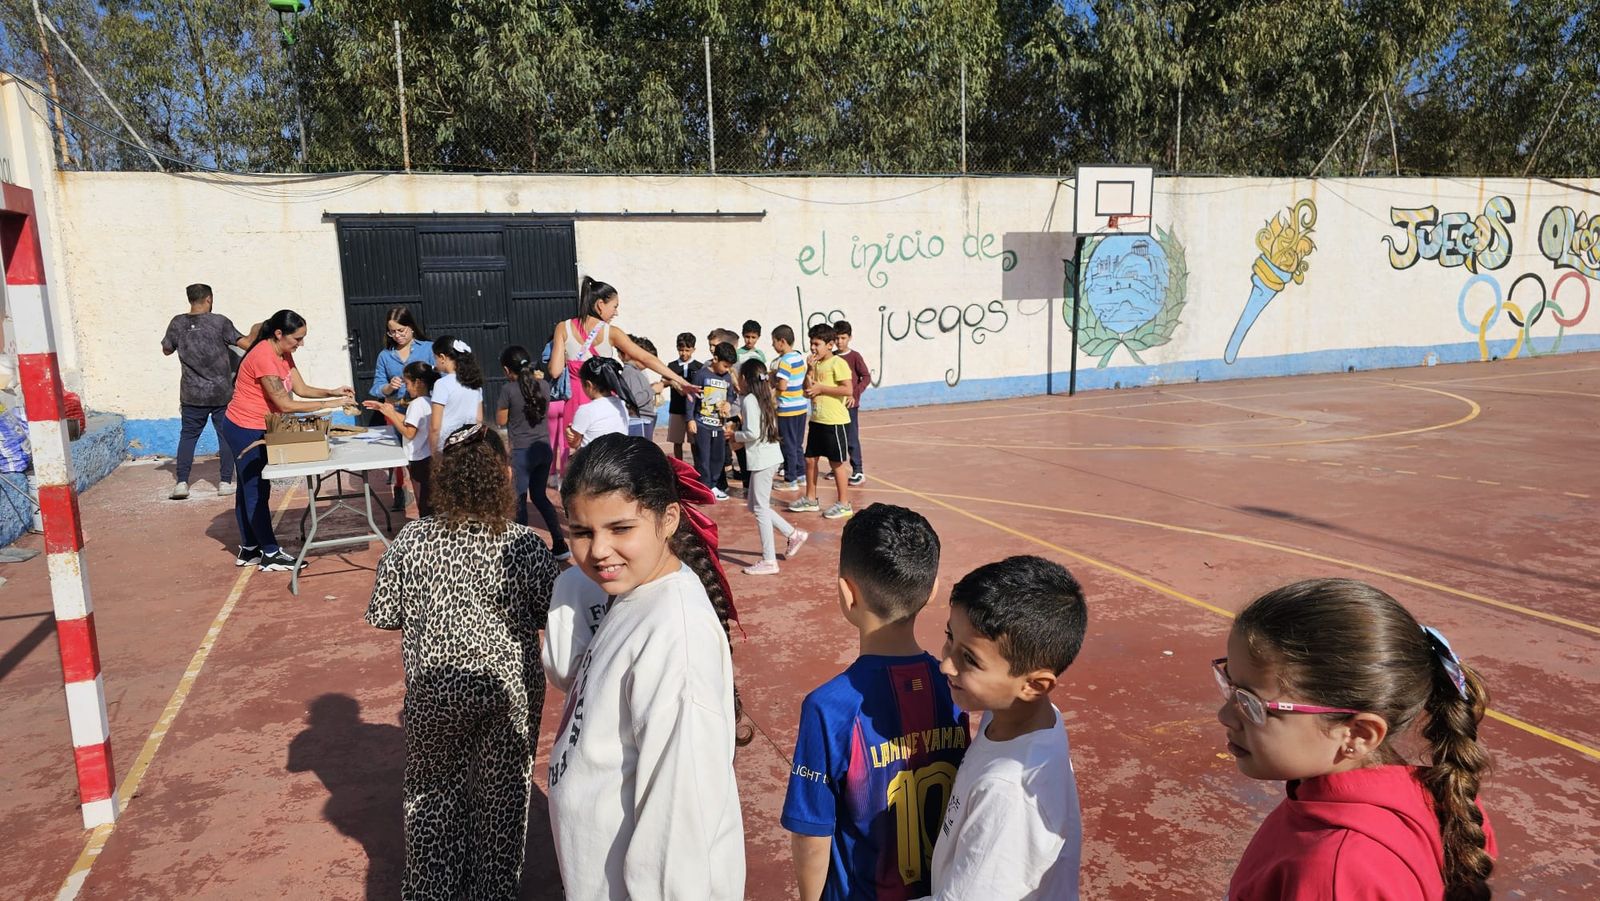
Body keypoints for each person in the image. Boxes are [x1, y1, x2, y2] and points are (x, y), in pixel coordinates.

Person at [547, 434, 746, 900]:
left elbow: (679, 819)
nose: (598, 551)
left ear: (668, 519)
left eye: (620, 529)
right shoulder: (632, 595)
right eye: (582, 532)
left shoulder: (676, 635)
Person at [366, 424, 561, 900]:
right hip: (508, 690)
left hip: (435, 691)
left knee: (433, 797)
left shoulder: (410, 540)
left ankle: (434, 889)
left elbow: (384, 614)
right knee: (502, 798)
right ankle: (494, 891)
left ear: (444, 477)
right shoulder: (525, 545)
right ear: (502, 475)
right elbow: (548, 615)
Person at [1218, 579, 1497, 901]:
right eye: (1230, 686)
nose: (1225, 715)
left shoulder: (1334, 872)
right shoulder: (1441, 797)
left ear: (1357, 734)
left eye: (1252, 703)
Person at [782, 504, 964, 900]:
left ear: (847, 594)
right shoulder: (956, 686)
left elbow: (812, 833)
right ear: (931, 592)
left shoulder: (828, 707)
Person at [921, 554, 1087, 900]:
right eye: (950, 636)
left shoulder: (1007, 792)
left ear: (1034, 686)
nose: (945, 664)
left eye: (969, 659)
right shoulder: (1023, 714)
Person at [220, 309, 354, 572]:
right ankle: (269, 552)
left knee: (251, 487)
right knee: (254, 489)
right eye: (297, 339)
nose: (300, 344)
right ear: (279, 334)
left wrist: (332, 390)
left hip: (261, 425)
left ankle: (249, 548)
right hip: (245, 427)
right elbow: (284, 402)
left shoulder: (283, 352)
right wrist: (332, 404)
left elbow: (300, 390)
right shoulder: (263, 357)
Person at [546, 277, 697, 474]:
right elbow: (645, 357)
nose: (616, 312)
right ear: (600, 305)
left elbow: (555, 371)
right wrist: (679, 379)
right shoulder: (611, 332)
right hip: (606, 403)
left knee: (576, 459)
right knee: (610, 456)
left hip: (574, 402)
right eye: (614, 306)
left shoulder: (563, 328)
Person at [160, 283, 258, 500]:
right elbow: (247, 344)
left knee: (188, 436)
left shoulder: (178, 323)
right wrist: (257, 328)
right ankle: (224, 482)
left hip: (191, 393)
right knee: (225, 436)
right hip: (221, 392)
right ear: (209, 299)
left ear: (190, 299)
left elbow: (167, 350)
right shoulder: (220, 322)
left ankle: (182, 483)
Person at [731, 358, 806, 575]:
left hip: (764, 461)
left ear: (745, 379)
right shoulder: (763, 397)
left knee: (760, 509)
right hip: (768, 458)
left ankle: (769, 560)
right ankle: (793, 534)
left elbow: (752, 433)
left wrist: (733, 434)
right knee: (755, 505)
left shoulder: (750, 400)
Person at [497, 346, 570, 560]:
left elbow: (501, 420)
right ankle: (560, 544)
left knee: (519, 499)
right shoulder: (544, 385)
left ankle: (523, 551)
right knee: (540, 497)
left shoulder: (508, 390)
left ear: (506, 369)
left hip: (522, 452)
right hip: (542, 450)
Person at [367, 306, 435, 511]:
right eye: (392, 332)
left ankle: (428, 501)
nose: (397, 336)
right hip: (397, 411)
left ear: (412, 328)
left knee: (426, 456)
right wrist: (388, 388)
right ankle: (401, 488)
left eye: (401, 330)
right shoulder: (385, 356)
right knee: (404, 454)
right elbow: (377, 386)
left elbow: (439, 379)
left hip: (425, 411)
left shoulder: (428, 348)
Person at [789, 323, 853, 519]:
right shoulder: (815, 365)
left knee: (836, 463)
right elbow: (806, 391)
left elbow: (847, 389)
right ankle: (810, 498)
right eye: (811, 343)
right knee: (810, 459)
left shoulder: (838, 364)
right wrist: (808, 372)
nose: (813, 348)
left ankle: (844, 503)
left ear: (830, 345)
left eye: (817, 344)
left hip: (835, 421)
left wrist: (822, 389)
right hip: (817, 419)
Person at [362, 361, 438, 516]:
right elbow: (409, 420)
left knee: (423, 499)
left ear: (418, 383)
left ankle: (428, 528)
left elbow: (409, 432)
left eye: (407, 383)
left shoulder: (416, 404)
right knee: (429, 496)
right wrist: (384, 409)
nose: (406, 388)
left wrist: (390, 415)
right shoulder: (429, 401)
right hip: (427, 456)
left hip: (418, 458)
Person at [689, 341, 737, 500]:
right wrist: (690, 419)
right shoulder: (701, 375)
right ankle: (705, 486)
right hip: (702, 424)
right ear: (715, 359)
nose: (727, 369)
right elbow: (691, 398)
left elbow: (731, 394)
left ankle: (714, 485)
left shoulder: (728, 377)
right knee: (703, 457)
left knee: (718, 457)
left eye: (729, 366)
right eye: (725, 365)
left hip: (718, 426)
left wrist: (729, 403)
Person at [428, 336, 484, 458]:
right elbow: (479, 419)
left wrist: (433, 452)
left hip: (447, 445)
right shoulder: (474, 382)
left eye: (435, 358)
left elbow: (435, 426)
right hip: (470, 443)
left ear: (442, 357)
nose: (435, 362)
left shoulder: (441, 384)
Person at [565, 357, 635, 452]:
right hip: (618, 459)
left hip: (593, 462)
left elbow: (574, 443)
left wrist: (569, 432)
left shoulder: (586, 410)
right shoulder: (621, 404)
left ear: (589, 385)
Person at [769, 324, 808, 491]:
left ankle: (790, 479)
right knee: (797, 444)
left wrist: (772, 380)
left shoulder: (784, 362)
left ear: (782, 342)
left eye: (774, 341)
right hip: (801, 406)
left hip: (787, 408)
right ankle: (800, 475)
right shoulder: (798, 357)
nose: (773, 345)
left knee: (788, 444)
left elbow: (783, 386)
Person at [833, 320, 871, 487]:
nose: (840, 341)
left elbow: (866, 377)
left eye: (843, 338)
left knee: (851, 438)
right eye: (837, 338)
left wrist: (855, 394)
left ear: (850, 338)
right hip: (834, 405)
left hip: (850, 405)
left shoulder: (854, 356)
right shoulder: (832, 357)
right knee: (835, 437)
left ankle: (858, 470)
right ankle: (837, 465)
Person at [666, 332, 702, 460]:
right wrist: (672, 383)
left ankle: (697, 467)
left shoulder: (699, 367)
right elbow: (664, 381)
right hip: (676, 408)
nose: (684, 353)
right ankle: (679, 466)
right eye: (681, 350)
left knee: (694, 441)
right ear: (677, 348)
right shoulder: (672, 366)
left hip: (693, 411)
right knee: (677, 441)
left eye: (687, 350)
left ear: (693, 349)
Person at [620, 335, 663, 438]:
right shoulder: (630, 372)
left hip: (644, 420)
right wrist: (652, 390)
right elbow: (634, 400)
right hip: (639, 421)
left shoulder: (637, 372)